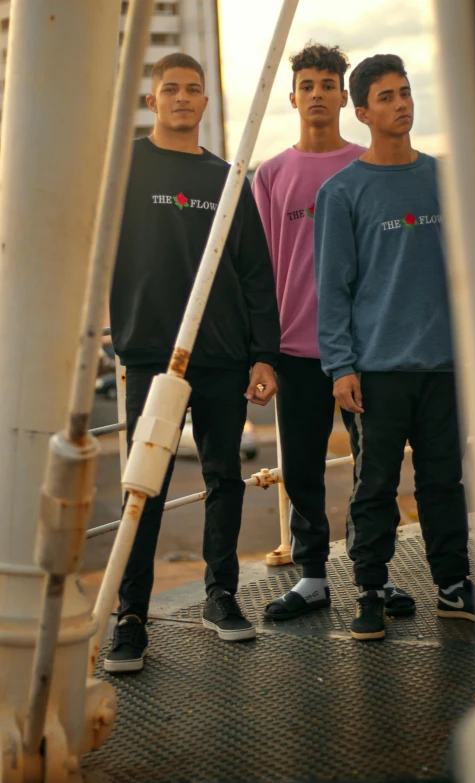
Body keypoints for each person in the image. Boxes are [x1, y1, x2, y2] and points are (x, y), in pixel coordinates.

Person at [105, 53, 280, 672]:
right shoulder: (122, 166)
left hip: (223, 352)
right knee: (143, 489)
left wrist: (264, 354)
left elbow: (256, 272)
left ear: (206, 103)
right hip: (150, 351)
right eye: (171, 89)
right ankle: (130, 618)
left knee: (224, 479)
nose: (183, 98)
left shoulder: (227, 177)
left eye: (194, 90)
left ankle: (221, 596)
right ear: (152, 101)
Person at [314, 54, 475, 641]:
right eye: (385, 97)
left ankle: (454, 585)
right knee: (375, 485)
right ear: (361, 112)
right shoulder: (342, 192)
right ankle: (369, 590)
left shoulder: (443, 179)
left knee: (443, 482)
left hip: (443, 364)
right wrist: (340, 366)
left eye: (405, 92)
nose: (401, 104)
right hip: (377, 369)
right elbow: (332, 289)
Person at [252, 43, 414, 622]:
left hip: (365, 351)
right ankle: (313, 577)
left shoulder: (366, 167)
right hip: (297, 352)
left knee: (376, 470)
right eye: (307, 84)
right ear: (291, 95)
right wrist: (262, 354)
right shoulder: (270, 176)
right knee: (300, 470)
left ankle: (379, 574)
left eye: (328, 83)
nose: (317, 93)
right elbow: (262, 270)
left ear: (345, 97)